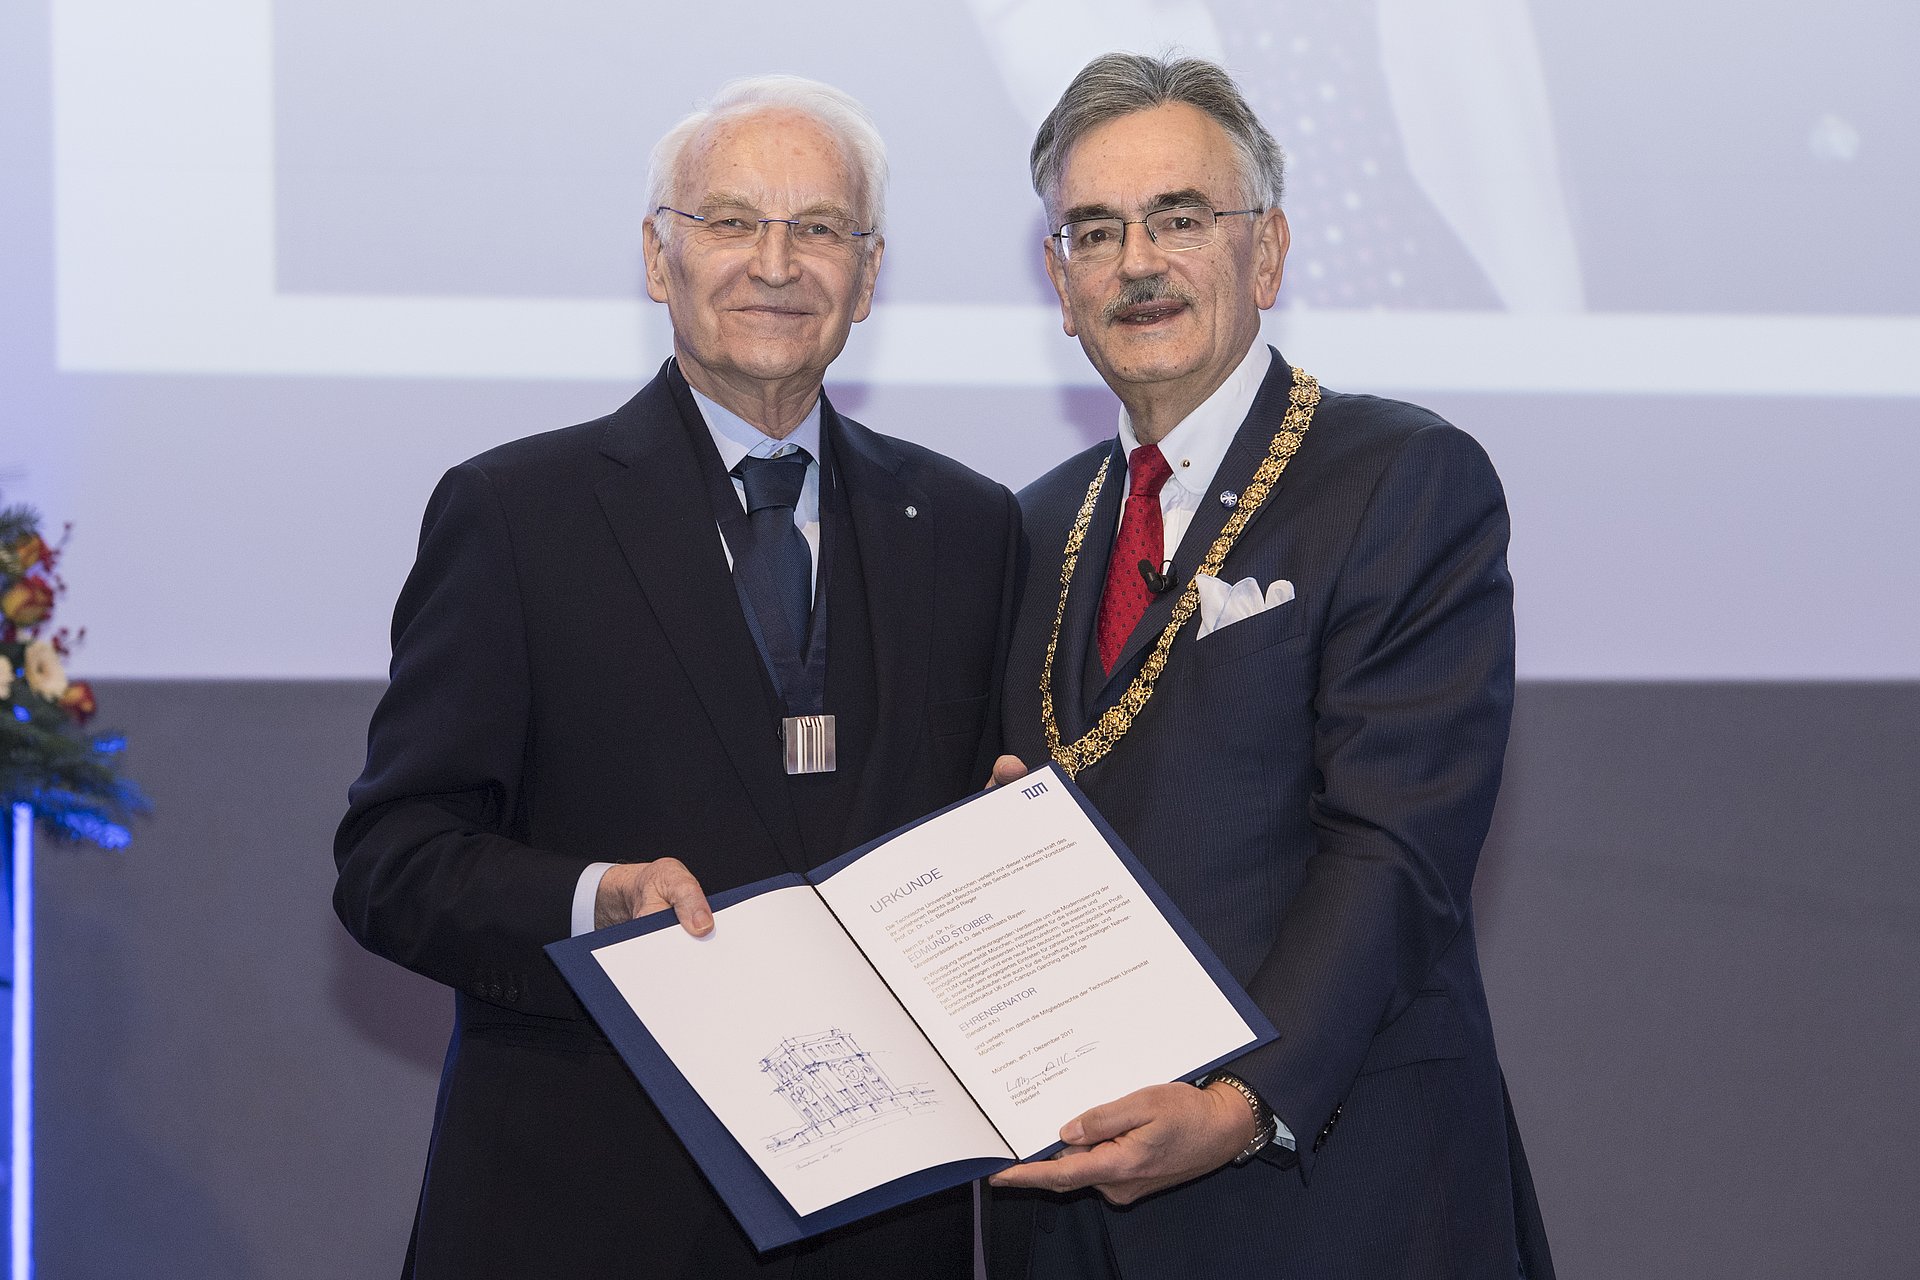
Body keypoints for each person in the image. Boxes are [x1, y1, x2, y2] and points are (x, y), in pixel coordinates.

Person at [334, 75, 1018, 1280]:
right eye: (729, 220)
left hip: (878, 1228)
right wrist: (594, 897)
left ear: (867, 277)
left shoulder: (965, 526)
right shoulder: (513, 514)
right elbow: (391, 859)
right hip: (579, 1215)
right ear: (658, 259)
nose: (775, 260)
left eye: (819, 228)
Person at [986, 54, 1554, 1278]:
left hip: (1336, 1191)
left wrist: (1242, 1098)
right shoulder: (1028, 528)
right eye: (1095, 230)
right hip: (1076, 1213)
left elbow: (1394, 848)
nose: (1137, 261)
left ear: (1270, 250)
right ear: (1060, 280)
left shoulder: (1401, 476)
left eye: (1181, 218)